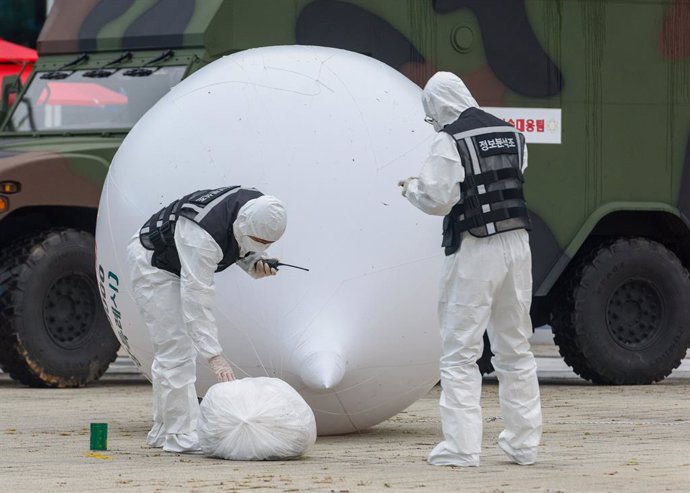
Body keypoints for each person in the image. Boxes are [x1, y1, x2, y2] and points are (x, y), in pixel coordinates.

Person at [399, 72, 542, 467]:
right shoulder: (512, 133)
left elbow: (438, 198)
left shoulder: (449, 140)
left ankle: (461, 449)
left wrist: (410, 187)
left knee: (460, 352)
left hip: (476, 247)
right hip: (518, 243)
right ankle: (523, 443)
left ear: (437, 107)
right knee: (515, 348)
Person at [127, 186, 287, 454]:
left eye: (266, 244)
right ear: (244, 223)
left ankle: (164, 429)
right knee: (176, 347)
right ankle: (181, 435)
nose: (258, 246)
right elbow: (197, 297)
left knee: (174, 350)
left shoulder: (257, 207)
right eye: (255, 241)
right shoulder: (200, 235)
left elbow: (239, 245)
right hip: (153, 262)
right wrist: (214, 355)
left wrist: (254, 263)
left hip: (177, 259)